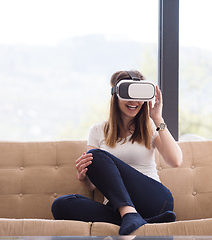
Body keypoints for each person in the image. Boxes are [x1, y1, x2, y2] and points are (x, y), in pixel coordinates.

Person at [51, 70, 183, 235]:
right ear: (115, 95)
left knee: (97, 156)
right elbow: (94, 184)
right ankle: (140, 219)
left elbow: (176, 160)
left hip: (155, 200)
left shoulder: (150, 127)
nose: (134, 101)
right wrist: (84, 178)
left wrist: (158, 119)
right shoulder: (98, 130)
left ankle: (130, 214)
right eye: (128, 94)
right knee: (61, 205)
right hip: (116, 206)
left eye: (138, 96)